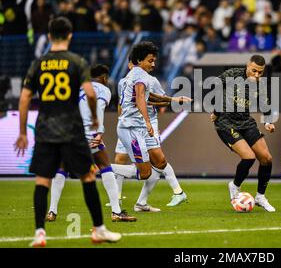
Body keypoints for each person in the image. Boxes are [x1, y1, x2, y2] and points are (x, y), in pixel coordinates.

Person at [14, 17, 121, 247]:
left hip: (45, 129)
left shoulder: (38, 64)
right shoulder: (76, 62)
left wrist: (22, 132)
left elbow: (24, 99)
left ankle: (40, 233)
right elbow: (91, 94)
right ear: (70, 35)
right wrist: (93, 117)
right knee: (88, 176)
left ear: (49, 36)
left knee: (42, 181)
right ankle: (99, 229)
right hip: (71, 130)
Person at [46, 64, 137, 222]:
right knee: (105, 167)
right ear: (104, 78)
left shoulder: (79, 87)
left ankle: (52, 212)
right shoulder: (103, 90)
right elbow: (98, 108)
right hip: (89, 133)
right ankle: (116, 212)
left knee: (62, 168)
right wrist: (99, 132)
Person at [111, 42, 191, 208]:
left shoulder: (131, 76)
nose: (153, 64)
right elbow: (141, 97)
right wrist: (148, 121)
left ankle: (144, 202)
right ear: (139, 60)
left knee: (159, 162)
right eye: (150, 60)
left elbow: (148, 96)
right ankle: (99, 166)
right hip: (133, 128)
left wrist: (173, 99)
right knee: (145, 172)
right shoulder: (141, 77)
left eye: (154, 60)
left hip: (136, 127)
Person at [211, 54, 277, 212]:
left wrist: (268, 122)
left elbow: (265, 105)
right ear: (248, 65)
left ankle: (260, 197)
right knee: (249, 157)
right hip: (226, 122)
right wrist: (216, 110)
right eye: (254, 70)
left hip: (245, 122)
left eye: (260, 72)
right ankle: (234, 186)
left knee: (266, 158)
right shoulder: (232, 75)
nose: (256, 75)